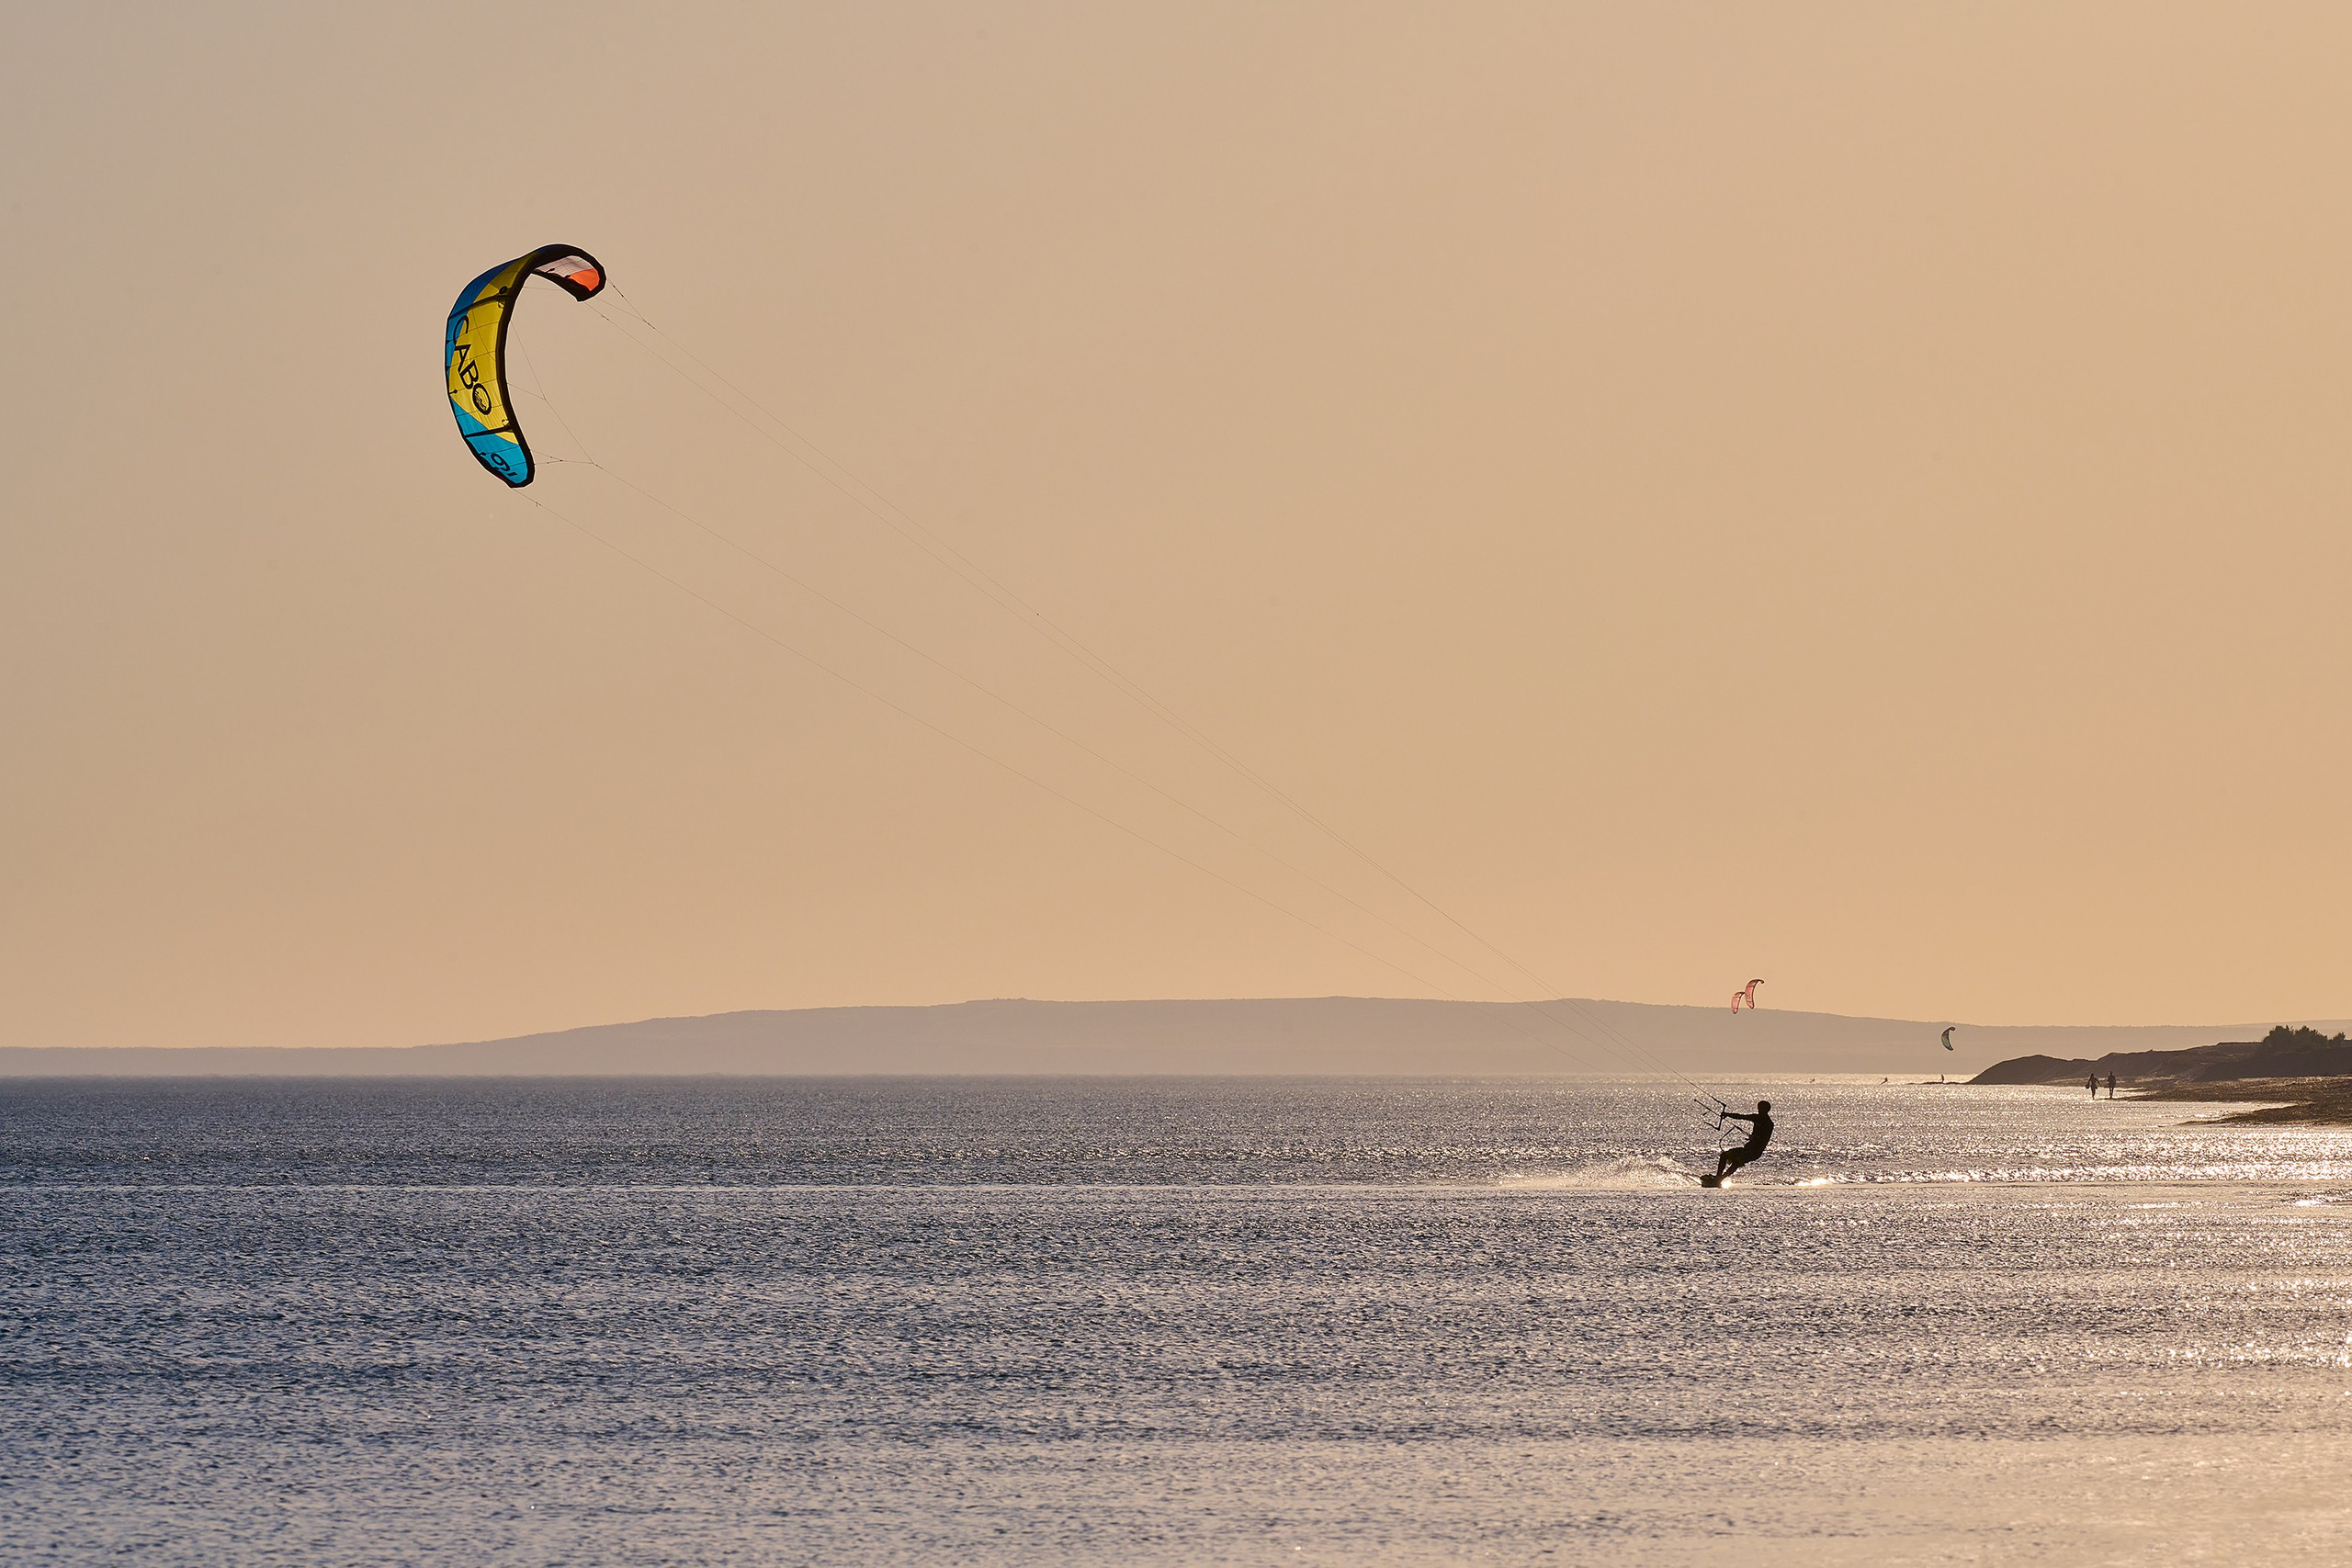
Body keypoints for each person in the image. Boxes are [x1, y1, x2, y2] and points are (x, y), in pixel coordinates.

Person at [1712, 1100, 1775, 1184]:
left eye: (1761, 1108)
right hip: (1747, 1149)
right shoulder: (1756, 1117)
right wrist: (1728, 1114)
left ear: (1767, 1110)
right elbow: (1741, 1117)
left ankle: (1721, 1179)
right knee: (1724, 1155)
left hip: (1755, 1152)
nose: (1759, 1110)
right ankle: (1718, 1176)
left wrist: (1756, 1139)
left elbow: (1765, 1139)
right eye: (1759, 1108)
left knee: (1737, 1161)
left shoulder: (1769, 1123)